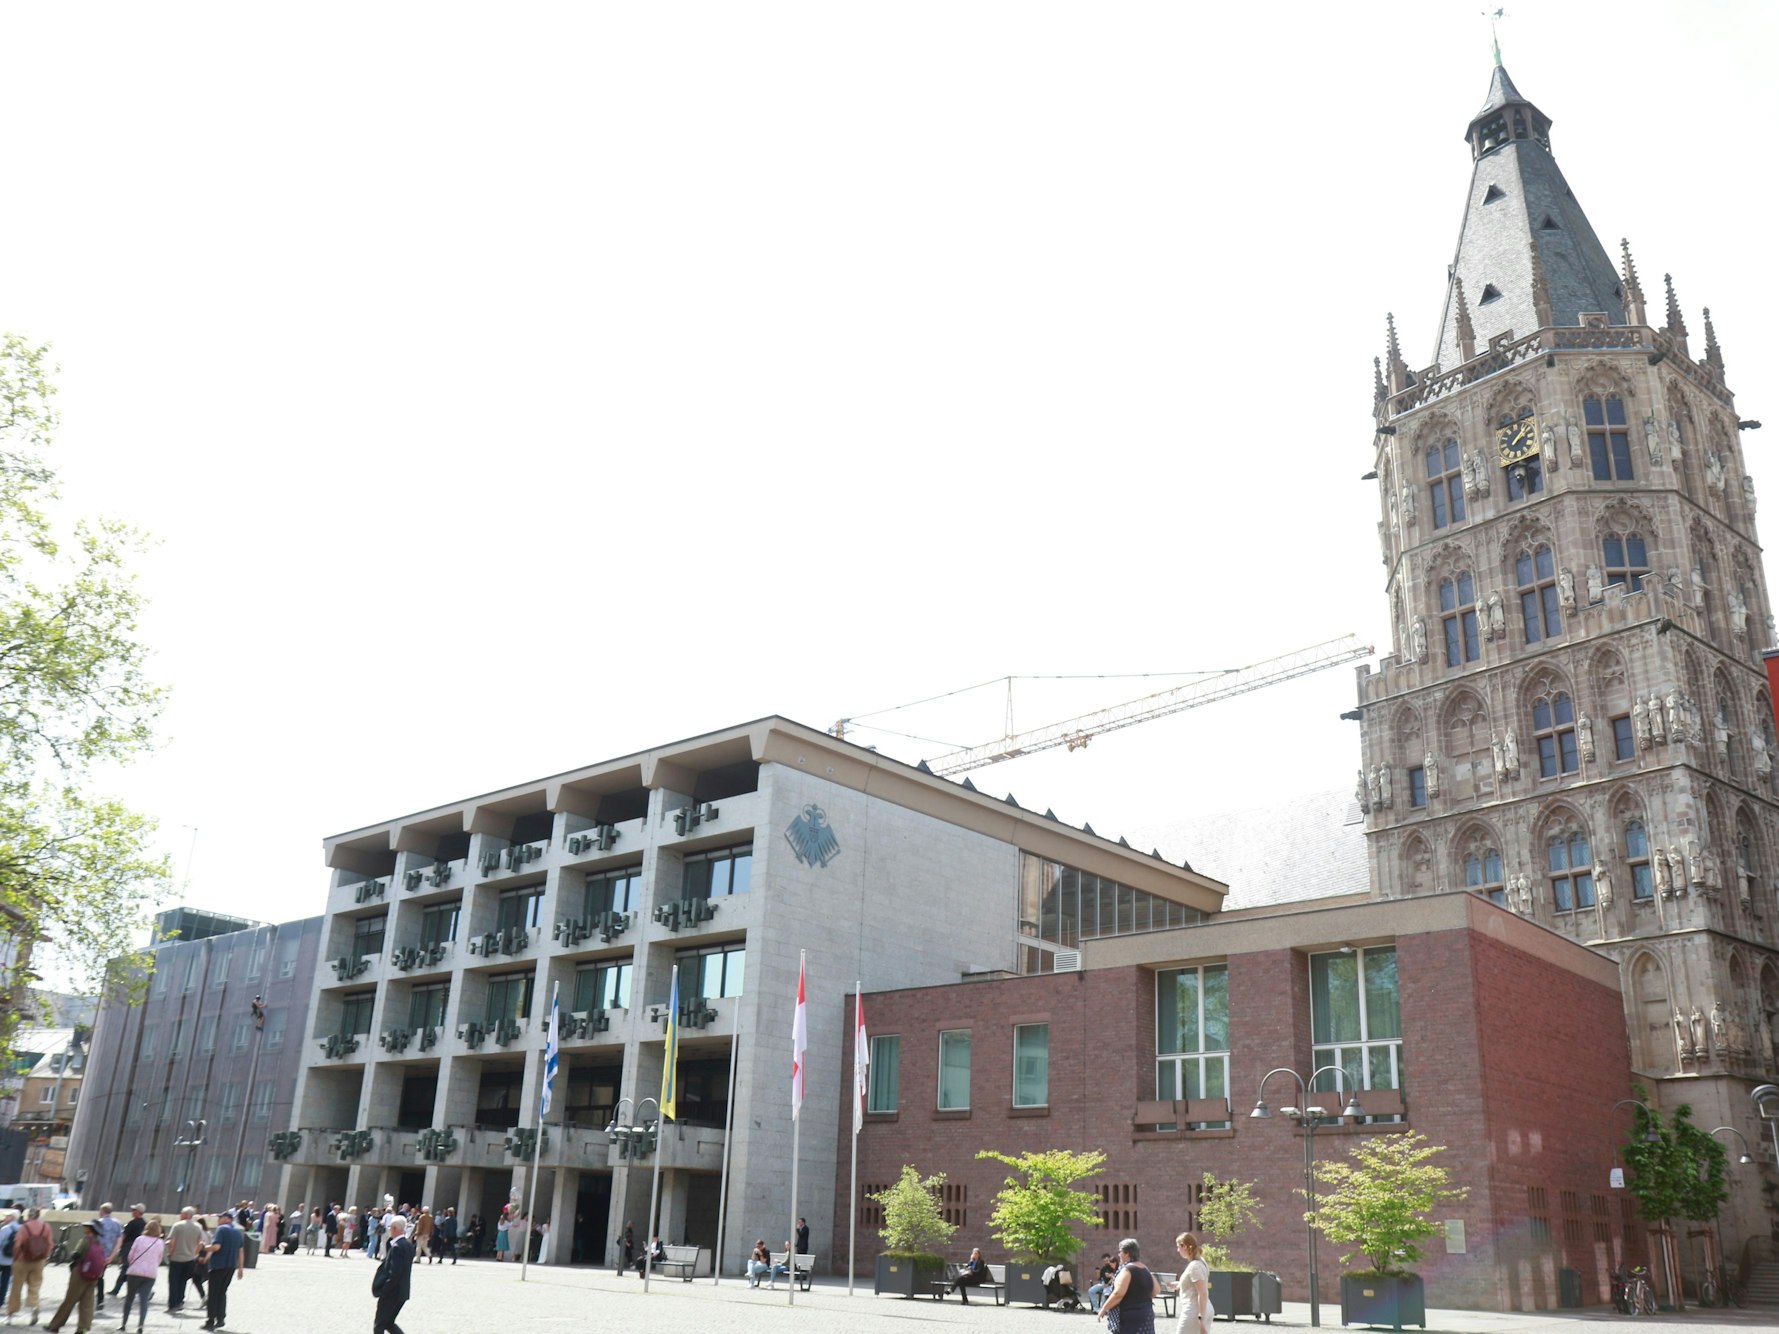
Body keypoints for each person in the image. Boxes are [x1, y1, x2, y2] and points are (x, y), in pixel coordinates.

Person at [44, 1220, 109, 1334]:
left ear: (91, 1229)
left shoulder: (85, 1240)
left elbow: (76, 1254)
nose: (85, 1228)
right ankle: (83, 1328)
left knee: (69, 1300)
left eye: (87, 1226)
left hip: (80, 1274)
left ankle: (55, 1325)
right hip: (94, 1276)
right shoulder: (99, 1243)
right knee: (87, 1303)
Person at [6, 1207, 54, 1325]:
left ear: (29, 1216)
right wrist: (45, 1257)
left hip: (22, 1260)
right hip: (38, 1261)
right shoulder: (46, 1227)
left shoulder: (24, 1227)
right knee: (35, 1286)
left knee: (16, 1288)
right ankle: (34, 1308)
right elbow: (50, 1244)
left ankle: (11, 1314)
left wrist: (15, 1258)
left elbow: (17, 1245)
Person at [1097, 1238, 1156, 1334]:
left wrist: (1104, 1308)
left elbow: (1118, 1294)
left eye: (1120, 1251)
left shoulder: (1127, 1270)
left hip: (1130, 1315)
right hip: (1147, 1313)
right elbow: (1156, 1290)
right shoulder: (1145, 1268)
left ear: (1127, 1253)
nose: (1118, 1254)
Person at [202, 1206, 246, 1331]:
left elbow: (216, 1247)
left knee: (213, 1293)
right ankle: (221, 1318)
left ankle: (210, 1320)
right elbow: (241, 1251)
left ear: (227, 1219)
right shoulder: (237, 1232)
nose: (218, 1220)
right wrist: (240, 1268)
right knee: (222, 1293)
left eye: (220, 1218)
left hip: (218, 1266)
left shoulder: (221, 1229)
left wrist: (204, 1247)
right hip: (231, 1267)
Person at [120, 1218, 165, 1334]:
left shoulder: (139, 1239)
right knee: (144, 1300)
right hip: (150, 1274)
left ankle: (124, 1324)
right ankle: (140, 1326)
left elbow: (131, 1256)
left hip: (135, 1272)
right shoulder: (160, 1242)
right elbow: (159, 1259)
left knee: (129, 1299)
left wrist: (133, 1263)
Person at [372, 1216, 414, 1334]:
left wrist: (385, 1289)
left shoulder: (397, 1247)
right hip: (402, 1291)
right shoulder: (409, 1245)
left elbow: (395, 1273)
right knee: (389, 1323)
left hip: (392, 1292)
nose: (389, 1229)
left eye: (390, 1227)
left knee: (379, 1325)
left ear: (395, 1228)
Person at [1171, 1233, 1214, 1334]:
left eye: (1178, 1247)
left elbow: (1202, 1293)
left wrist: (1200, 1317)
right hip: (1204, 1309)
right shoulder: (1201, 1261)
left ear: (1185, 1246)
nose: (1178, 1250)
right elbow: (1195, 1285)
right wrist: (1180, 1284)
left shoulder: (1194, 1266)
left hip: (1194, 1311)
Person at [104, 1207, 145, 1309]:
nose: (132, 1212)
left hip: (128, 1247)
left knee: (125, 1269)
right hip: (139, 1248)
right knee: (132, 1270)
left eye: (134, 1210)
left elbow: (124, 1236)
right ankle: (133, 1290)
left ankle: (118, 1290)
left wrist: (118, 1247)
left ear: (138, 1212)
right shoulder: (144, 1223)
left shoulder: (132, 1223)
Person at [166, 1207, 204, 1313]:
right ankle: (180, 1301)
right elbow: (200, 1243)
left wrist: (170, 1253)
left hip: (176, 1258)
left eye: (182, 1213)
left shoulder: (177, 1225)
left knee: (173, 1281)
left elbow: (172, 1242)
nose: (180, 1214)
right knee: (183, 1281)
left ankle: (173, 1304)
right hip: (190, 1259)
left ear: (186, 1215)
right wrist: (195, 1254)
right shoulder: (198, 1227)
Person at [89, 1206, 122, 1314]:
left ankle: (92, 1298)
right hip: (107, 1255)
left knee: (91, 1276)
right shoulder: (117, 1224)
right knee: (100, 1276)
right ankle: (100, 1300)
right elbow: (119, 1241)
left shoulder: (98, 1223)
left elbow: (91, 1239)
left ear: (102, 1211)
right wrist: (112, 1256)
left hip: (95, 1254)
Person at [0, 1209, 17, 1314]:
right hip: (13, 1259)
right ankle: (1, 1300)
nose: (5, 1218)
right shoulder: (21, 1228)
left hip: (1, 1258)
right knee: (5, 1281)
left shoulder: (5, 1228)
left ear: (11, 1217)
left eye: (7, 1216)